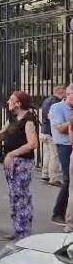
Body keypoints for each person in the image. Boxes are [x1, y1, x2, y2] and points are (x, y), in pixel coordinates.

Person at [0, 91, 39, 239]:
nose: (8, 102)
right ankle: (18, 229)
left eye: (11, 100)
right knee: (14, 195)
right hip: (12, 162)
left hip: (23, 162)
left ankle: (24, 232)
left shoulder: (28, 120)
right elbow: (3, 133)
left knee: (21, 196)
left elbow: (33, 143)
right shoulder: (13, 118)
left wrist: (12, 154)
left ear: (18, 103)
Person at [49, 85, 73, 226]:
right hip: (64, 146)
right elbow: (59, 128)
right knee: (68, 179)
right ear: (68, 94)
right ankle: (58, 212)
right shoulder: (57, 108)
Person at [41, 86, 65, 186]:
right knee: (54, 156)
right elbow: (52, 117)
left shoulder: (47, 100)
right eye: (64, 92)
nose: (65, 95)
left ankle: (45, 174)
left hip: (44, 131)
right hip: (51, 132)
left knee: (47, 154)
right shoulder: (55, 103)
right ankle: (54, 177)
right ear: (60, 92)